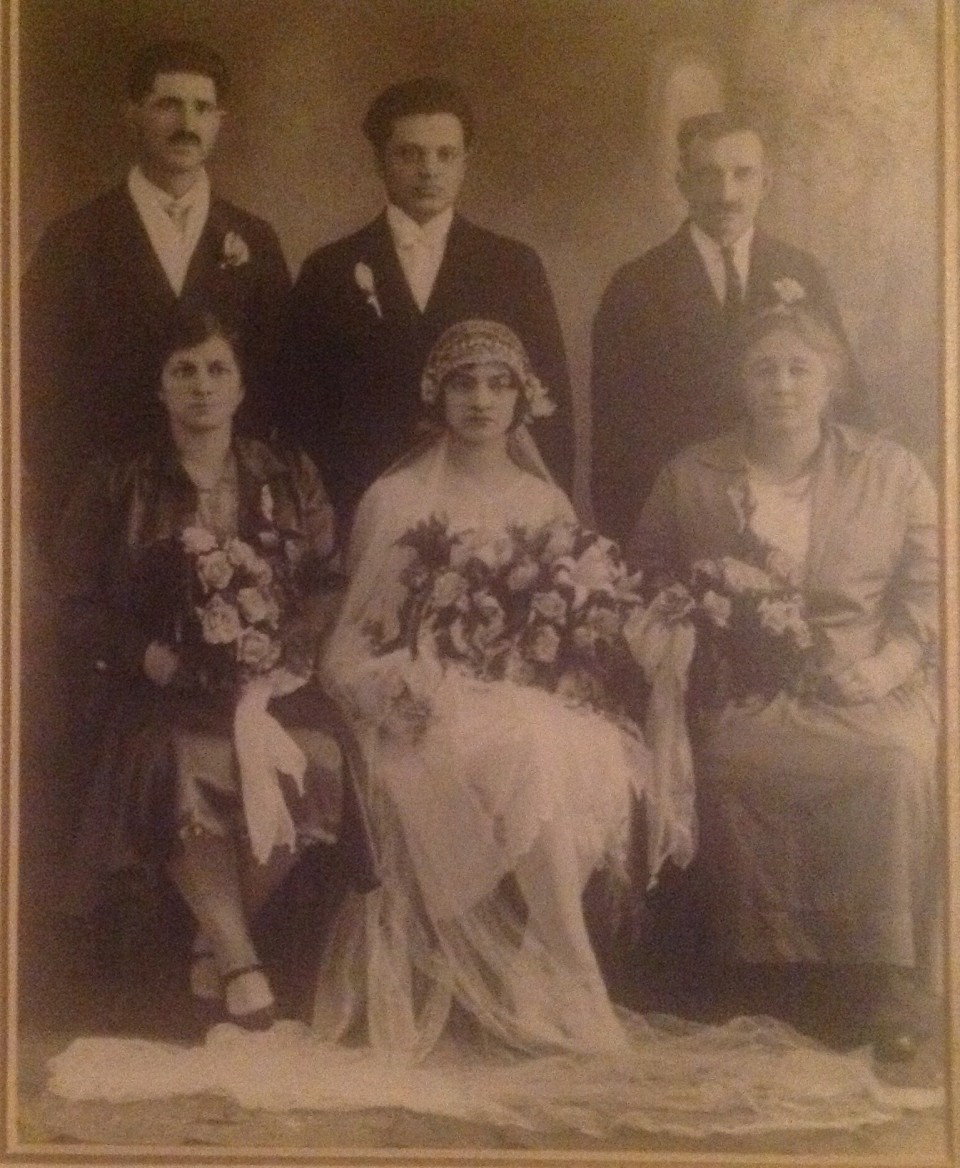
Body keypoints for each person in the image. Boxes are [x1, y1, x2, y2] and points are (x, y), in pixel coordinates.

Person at [45, 321, 935, 1134]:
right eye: (463, 384)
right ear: (439, 398)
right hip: (420, 706)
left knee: (547, 738)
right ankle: (573, 974)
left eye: (498, 386)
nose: (480, 401)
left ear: (522, 400)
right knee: (521, 744)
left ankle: (564, 966)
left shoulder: (545, 506)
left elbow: (583, 635)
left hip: (523, 702)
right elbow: (346, 646)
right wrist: (402, 683)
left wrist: (581, 658)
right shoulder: (396, 500)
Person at [630, 300, 939, 1065]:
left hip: (860, 679)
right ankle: (759, 976)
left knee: (894, 762)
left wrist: (885, 668)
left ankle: (877, 977)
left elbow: (937, 593)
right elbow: (641, 578)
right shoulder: (691, 474)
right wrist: (689, 628)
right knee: (729, 762)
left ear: (831, 379)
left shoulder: (890, 470)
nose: (782, 386)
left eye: (800, 368)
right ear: (739, 383)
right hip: (741, 686)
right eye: (762, 369)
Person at [54, 309, 376, 1030]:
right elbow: (72, 599)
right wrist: (145, 653)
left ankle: (215, 941)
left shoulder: (287, 473)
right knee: (180, 758)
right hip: (162, 687)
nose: (202, 387)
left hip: (270, 682)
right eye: (183, 371)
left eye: (217, 369)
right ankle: (241, 962)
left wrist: (287, 647)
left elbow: (327, 579)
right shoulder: (119, 479)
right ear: (160, 388)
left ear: (240, 385)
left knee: (319, 759)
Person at [21, 38, 291, 537]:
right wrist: (71, 509)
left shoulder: (255, 239)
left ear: (219, 120)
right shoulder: (74, 239)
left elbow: (277, 381)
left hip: (227, 513)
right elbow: (36, 391)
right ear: (134, 114)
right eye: (169, 105)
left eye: (202, 108)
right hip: (107, 511)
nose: (187, 124)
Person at [284, 76, 574, 530]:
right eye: (409, 154)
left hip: (490, 518)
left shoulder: (513, 266)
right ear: (380, 161)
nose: (429, 170)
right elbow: (304, 413)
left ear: (465, 162)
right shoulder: (330, 269)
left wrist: (543, 525)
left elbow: (551, 407)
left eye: (445, 154)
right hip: (364, 508)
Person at [591, 109, 869, 547]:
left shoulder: (802, 272)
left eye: (743, 174)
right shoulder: (636, 286)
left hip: (795, 516)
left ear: (766, 181)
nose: (726, 194)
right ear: (682, 182)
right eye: (708, 175)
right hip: (685, 521)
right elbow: (614, 444)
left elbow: (846, 398)